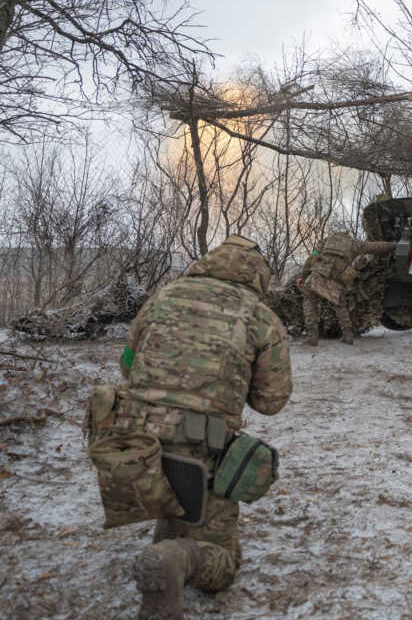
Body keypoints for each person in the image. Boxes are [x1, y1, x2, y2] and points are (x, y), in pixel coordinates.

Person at [92, 235, 291, 620]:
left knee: (179, 484)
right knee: (223, 562)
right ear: (259, 277)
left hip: (135, 444)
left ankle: (168, 543)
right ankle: (174, 558)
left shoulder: (164, 296)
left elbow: (128, 365)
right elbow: (272, 401)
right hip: (202, 449)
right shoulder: (261, 317)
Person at [300, 232, 395, 346]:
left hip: (321, 271)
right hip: (338, 276)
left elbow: (313, 256)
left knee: (309, 297)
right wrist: (394, 245)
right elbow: (376, 247)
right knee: (340, 304)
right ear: (347, 235)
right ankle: (348, 335)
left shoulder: (326, 240)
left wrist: (304, 276)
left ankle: (312, 336)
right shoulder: (354, 243)